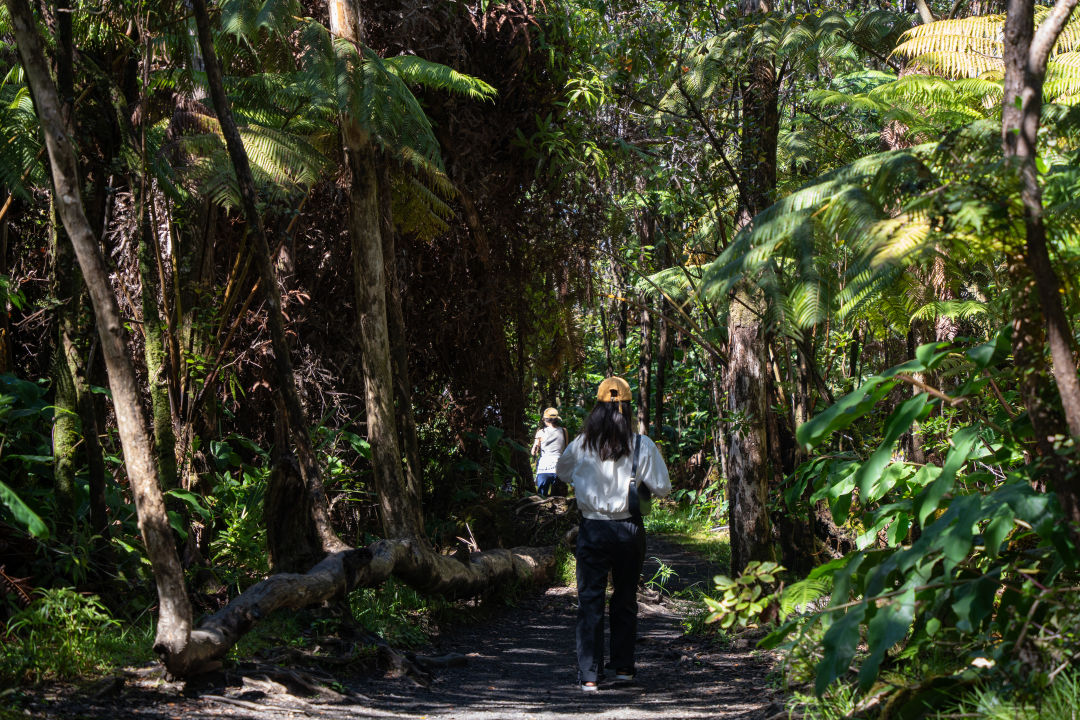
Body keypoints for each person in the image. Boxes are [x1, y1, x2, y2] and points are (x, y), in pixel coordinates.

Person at [556, 377, 671, 692]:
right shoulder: (641, 444)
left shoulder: (581, 443)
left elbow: (561, 472)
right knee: (624, 599)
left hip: (593, 528)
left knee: (590, 600)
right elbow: (663, 487)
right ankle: (622, 668)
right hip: (628, 529)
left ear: (597, 409)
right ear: (628, 409)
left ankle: (589, 675)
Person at [531, 407, 568, 497]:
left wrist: (536, 447)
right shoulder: (564, 431)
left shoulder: (541, 432)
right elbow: (566, 449)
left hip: (544, 467)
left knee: (541, 497)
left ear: (545, 420)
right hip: (559, 467)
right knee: (559, 497)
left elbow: (533, 452)